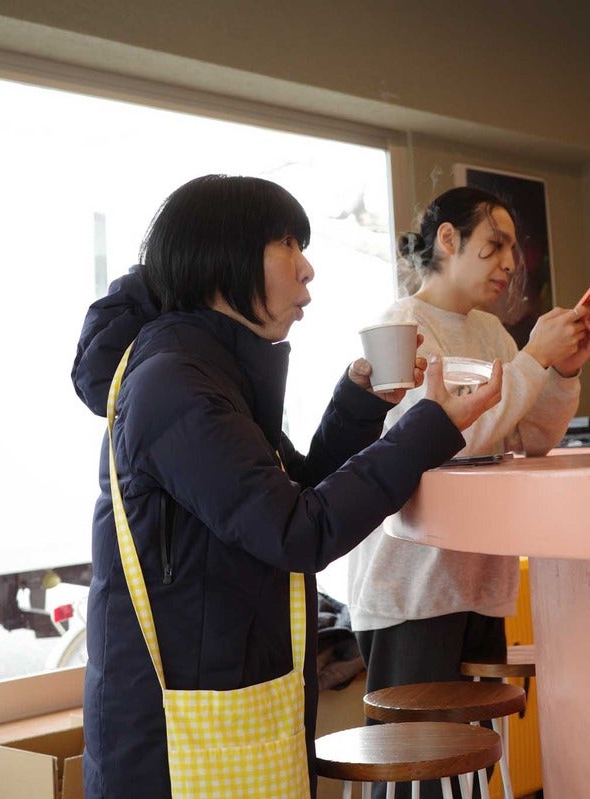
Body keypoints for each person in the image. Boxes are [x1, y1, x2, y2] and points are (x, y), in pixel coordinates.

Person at [70, 175, 504, 799]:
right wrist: (430, 426)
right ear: (224, 258)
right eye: (288, 245)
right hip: (169, 740)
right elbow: (299, 531)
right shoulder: (173, 384)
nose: (307, 269)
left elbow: (297, 490)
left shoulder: (212, 372)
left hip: (228, 702)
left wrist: (359, 402)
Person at [345, 186, 590, 799]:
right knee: (419, 777)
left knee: (468, 769)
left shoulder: (491, 334)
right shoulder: (403, 328)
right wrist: (535, 357)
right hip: (410, 589)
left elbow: (529, 435)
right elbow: (452, 436)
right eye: (496, 244)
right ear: (448, 240)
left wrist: (562, 370)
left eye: (513, 248)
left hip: (477, 584)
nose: (510, 263)